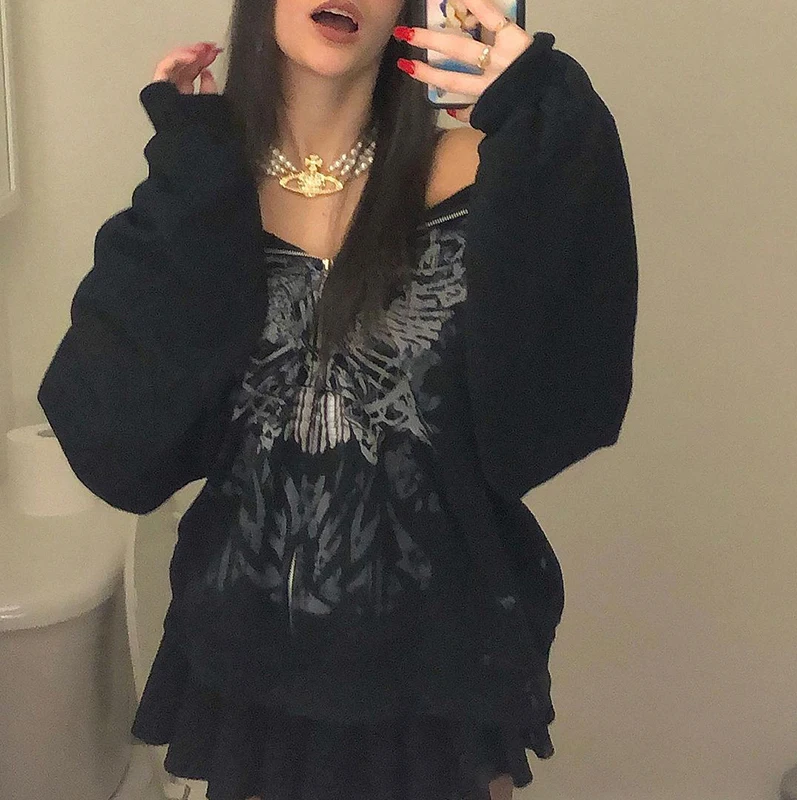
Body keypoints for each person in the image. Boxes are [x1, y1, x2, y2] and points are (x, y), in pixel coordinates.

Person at [37, 0, 638, 798]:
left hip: (442, 675)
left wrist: (550, 115)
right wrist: (187, 176)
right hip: (248, 676)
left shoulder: (489, 172)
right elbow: (121, 445)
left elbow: (563, 403)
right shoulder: (207, 190)